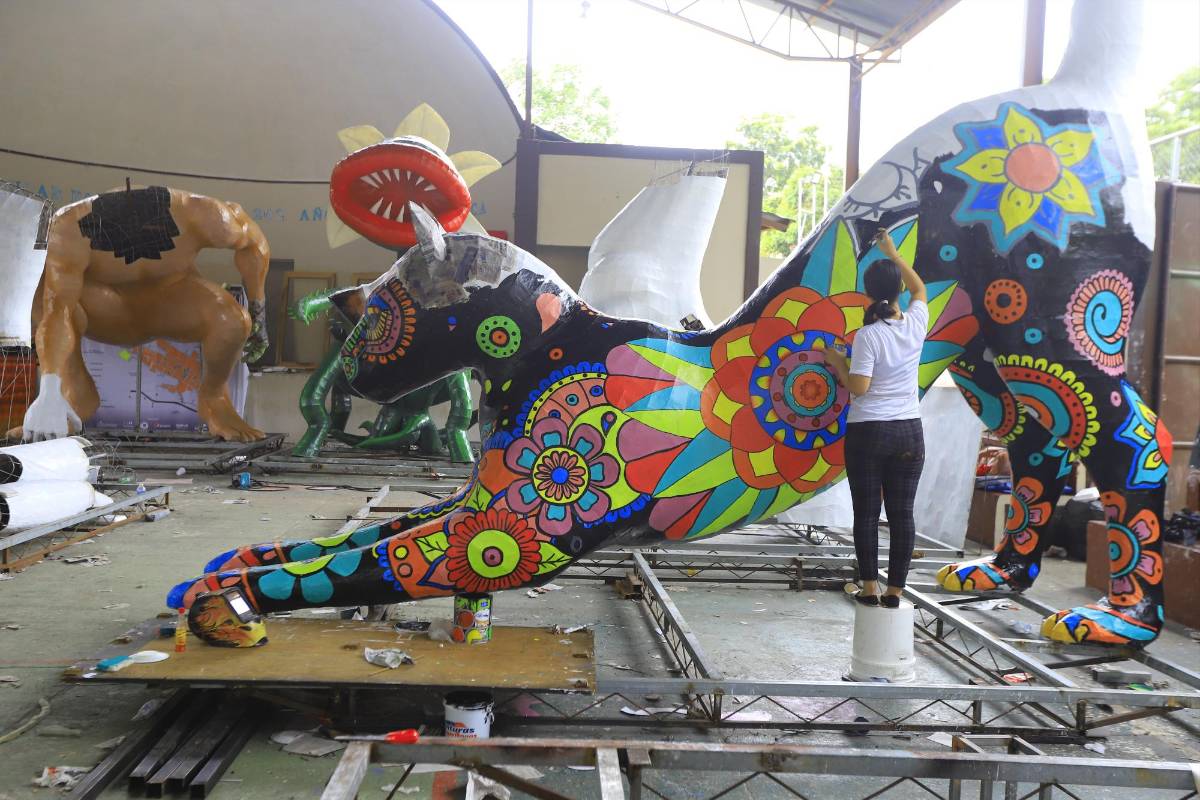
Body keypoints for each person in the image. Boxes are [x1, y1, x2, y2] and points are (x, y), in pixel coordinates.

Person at [824, 230, 927, 608]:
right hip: (909, 432)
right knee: (902, 515)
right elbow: (920, 290)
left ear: (868, 294)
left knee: (866, 513)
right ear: (897, 290)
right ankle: (895, 593)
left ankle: (868, 589)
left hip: (869, 433)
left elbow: (860, 388)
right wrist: (894, 253)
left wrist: (837, 362)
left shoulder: (868, 335)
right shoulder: (916, 322)